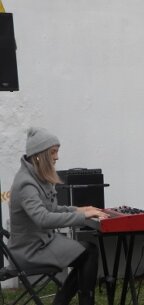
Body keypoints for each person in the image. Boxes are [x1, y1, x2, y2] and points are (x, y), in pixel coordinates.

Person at [8, 127, 108, 305]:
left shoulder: (36, 177)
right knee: (88, 253)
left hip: (42, 243)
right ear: (40, 155)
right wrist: (82, 218)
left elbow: (52, 209)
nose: (57, 157)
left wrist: (80, 210)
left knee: (88, 251)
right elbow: (44, 219)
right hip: (30, 251)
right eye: (53, 152)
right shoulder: (26, 184)